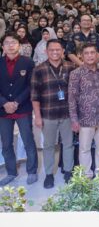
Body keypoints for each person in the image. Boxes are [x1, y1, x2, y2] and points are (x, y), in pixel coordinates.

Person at [31, 39, 75, 189]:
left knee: (68, 144)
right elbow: (35, 96)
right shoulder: (39, 69)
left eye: (58, 49)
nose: (55, 52)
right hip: (48, 115)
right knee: (48, 145)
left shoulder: (70, 67)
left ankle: (68, 171)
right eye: (52, 50)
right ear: (46, 51)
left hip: (67, 114)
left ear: (63, 51)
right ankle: (49, 174)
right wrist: (37, 116)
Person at [68, 43, 99, 179]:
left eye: (92, 52)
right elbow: (72, 97)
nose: (90, 56)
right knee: (84, 149)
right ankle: (86, 176)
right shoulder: (76, 74)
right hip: (85, 119)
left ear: (97, 55)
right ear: (81, 55)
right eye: (86, 53)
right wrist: (74, 119)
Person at [0, 33, 38, 186]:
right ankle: (11, 172)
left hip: (23, 108)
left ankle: (32, 170)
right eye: (7, 43)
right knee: (6, 143)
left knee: (28, 140)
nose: (10, 45)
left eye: (13, 42)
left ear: (19, 45)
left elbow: (31, 86)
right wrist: (4, 103)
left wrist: (16, 102)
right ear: (2, 46)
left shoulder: (28, 62)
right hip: (3, 110)